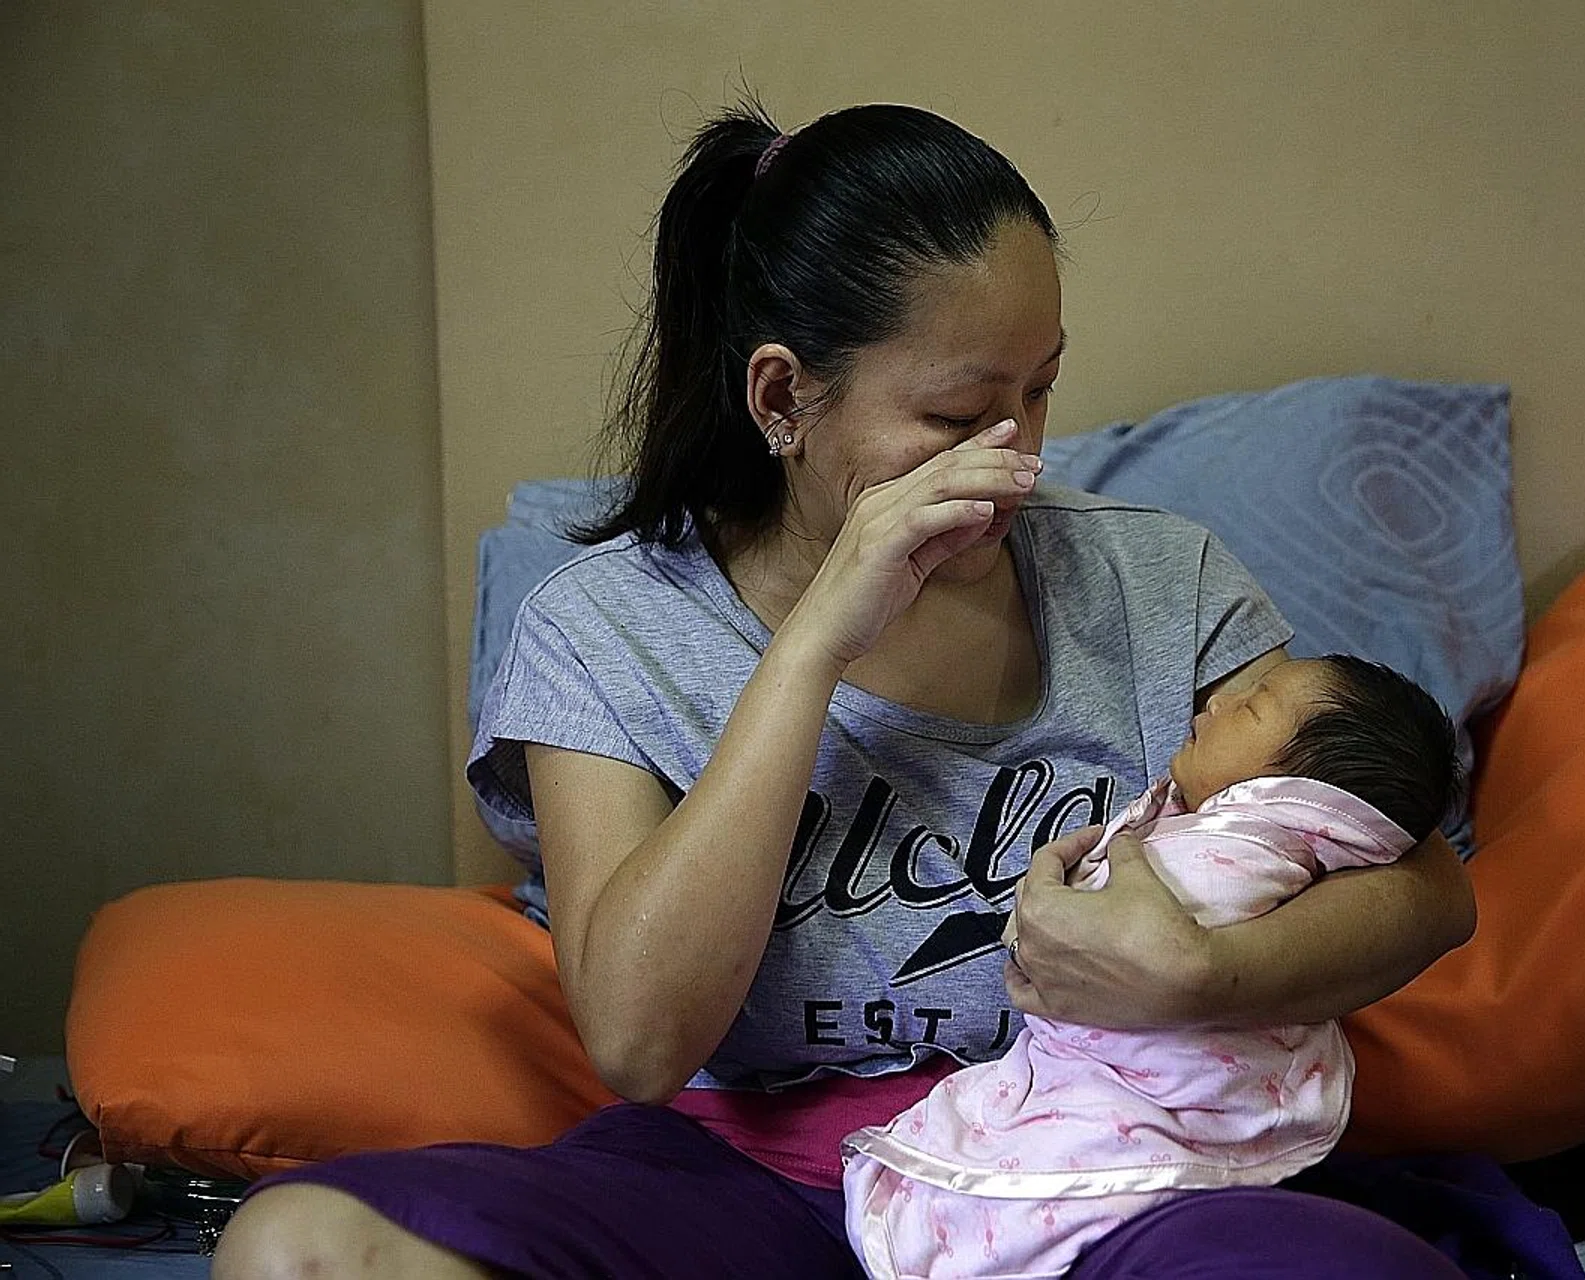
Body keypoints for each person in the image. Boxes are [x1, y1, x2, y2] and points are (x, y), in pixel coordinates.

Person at [213, 101, 1483, 1280]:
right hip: (750, 1180)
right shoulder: (605, 630)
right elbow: (641, 1043)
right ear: (783, 396)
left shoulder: (1156, 580)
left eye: (1039, 387)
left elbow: (1424, 886)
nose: (1019, 453)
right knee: (300, 1245)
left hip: (1105, 1174)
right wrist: (815, 640)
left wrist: (1196, 974)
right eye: (959, 411)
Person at [842, 655, 1460, 1279]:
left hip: (1148, 1107)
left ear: (1303, 796)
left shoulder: (1246, 853)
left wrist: (1185, 963)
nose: (1214, 704)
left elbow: (1446, 898)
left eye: (1250, 707)